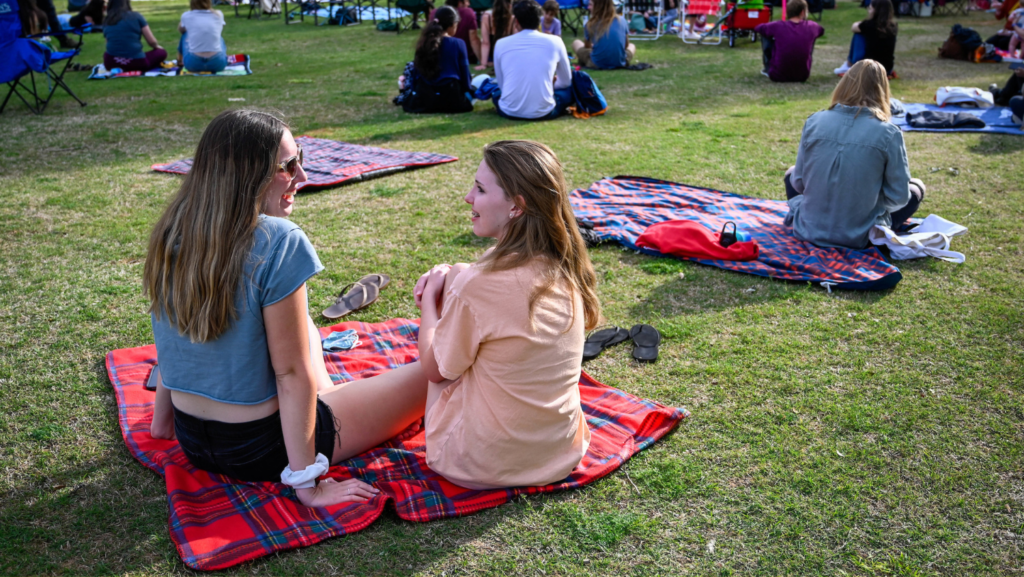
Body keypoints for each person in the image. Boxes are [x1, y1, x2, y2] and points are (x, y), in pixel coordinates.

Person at [146, 109, 429, 507]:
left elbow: (172, 338)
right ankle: (337, 404)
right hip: (265, 447)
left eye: (301, 159)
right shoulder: (278, 240)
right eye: (287, 166)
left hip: (195, 439)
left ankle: (337, 398)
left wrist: (164, 424)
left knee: (307, 331)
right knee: (431, 374)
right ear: (248, 175)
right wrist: (307, 483)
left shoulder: (174, 228)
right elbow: (292, 374)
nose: (303, 178)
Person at [413, 140, 599, 490]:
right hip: (559, 455)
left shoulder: (478, 285)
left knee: (443, 360)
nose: (469, 197)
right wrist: (454, 276)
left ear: (517, 206)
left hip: (476, 463)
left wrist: (430, 307)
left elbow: (434, 371)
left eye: (480, 189)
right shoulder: (563, 264)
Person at [784, 60, 925, 250]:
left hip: (807, 230)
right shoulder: (889, 133)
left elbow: (798, 182)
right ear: (883, 90)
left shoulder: (814, 121)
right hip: (860, 236)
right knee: (916, 189)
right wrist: (865, 202)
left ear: (844, 84)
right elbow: (899, 196)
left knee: (790, 173)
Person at [492, 0, 573, 120]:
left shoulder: (500, 44)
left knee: (496, 94)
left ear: (517, 22)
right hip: (544, 111)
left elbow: (502, 84)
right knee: (569, 92)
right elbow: (566, 82)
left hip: (509, 110)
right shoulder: (556, 41)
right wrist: (549, 85)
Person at [398, 5, 474, 113]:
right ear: (453, 24)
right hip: (452, 99)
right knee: (480, 81)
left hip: (424, 98)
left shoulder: (423, 42)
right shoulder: (458, 43)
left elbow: (416, 74)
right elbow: (465, 78)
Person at [754, 0, 823, 83]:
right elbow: (821, 31)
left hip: (777, 75)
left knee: (765, 33)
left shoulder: (777, 26)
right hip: (803, 75)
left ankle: (768, 67)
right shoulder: (812, 26)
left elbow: (758, 28)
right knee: (810, 37)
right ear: (803, 12)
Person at [833, 0, 897, 77]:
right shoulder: (893, 26)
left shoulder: (868, 25)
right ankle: (849, 64)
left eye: (870, 9)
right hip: (887, 69)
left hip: (868, 69)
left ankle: (849, 64)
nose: (868, 11)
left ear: (875, 10)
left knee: (858, 34)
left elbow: (853, 27)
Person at [102, 0, 167, 72]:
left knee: (107, 54)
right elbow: (151, 42)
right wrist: (157, 47)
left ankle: (121, 65)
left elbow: (108, 43)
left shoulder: (107, 20)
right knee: (161, 53)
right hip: (136, 62)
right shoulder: (136, 16)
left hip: (111, 62)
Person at [571, 0, 635, 69]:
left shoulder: (590, 24)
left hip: (596, 63)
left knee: (576, 43)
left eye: (591, 5)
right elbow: (626, 45)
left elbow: (587, 46)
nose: (588, 7)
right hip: (620, 62)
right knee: (632, 46)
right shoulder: (622, 20)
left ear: (598, 7)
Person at [177, 0, 228, 73]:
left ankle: (179, 59)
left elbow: (181, 30)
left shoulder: (186, 15)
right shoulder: (218, 14)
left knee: (185, 34)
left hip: (193, 64)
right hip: (218, 63)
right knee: (219, 38)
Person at [429, 0, 481, 64]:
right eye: (467, 1)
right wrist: (482, 60)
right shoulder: (468, 12)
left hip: (438, 57)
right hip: (466, 57)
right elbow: (474, 39)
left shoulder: (435, 13)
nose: (469, 4)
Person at [475, 0, 512, 70]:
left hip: (492, 56)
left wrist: (483, 64)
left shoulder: (486, 16)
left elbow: (485, 43)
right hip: (508, 56)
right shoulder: (513, 18)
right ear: (510, 5)